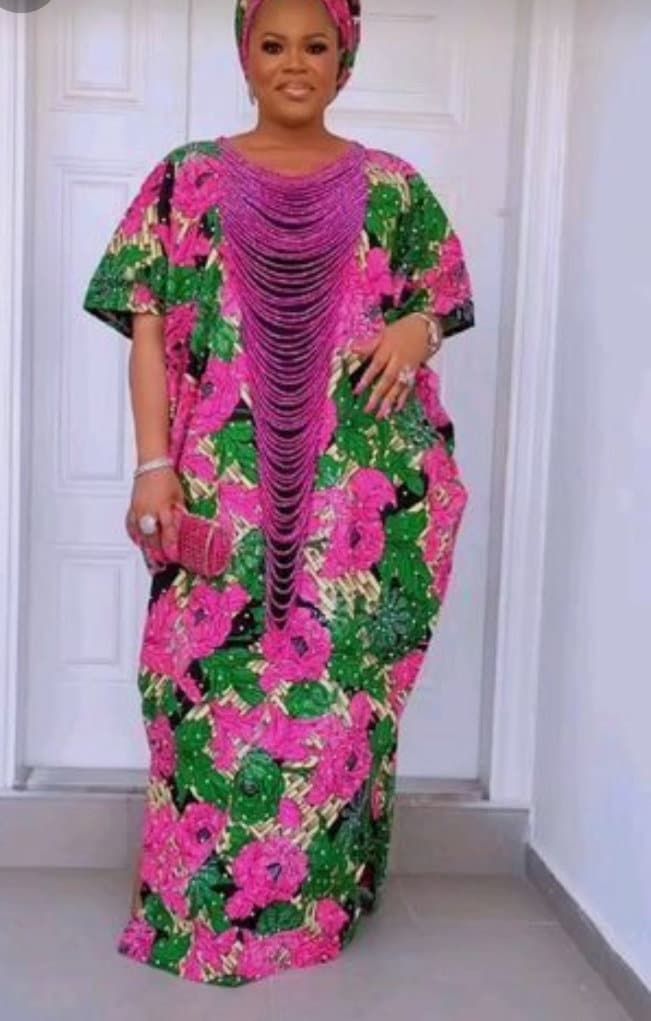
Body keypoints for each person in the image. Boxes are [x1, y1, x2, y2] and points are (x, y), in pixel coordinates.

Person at [82, 0, 475, 987]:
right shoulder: (185, 179)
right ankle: (195, 910)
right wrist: (154, 463)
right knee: (201, 689)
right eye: (272, 44)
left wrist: (418, 329)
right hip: (219, 487)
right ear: (243, 56)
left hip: (354, 511)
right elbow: (146, 323)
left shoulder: (396, 190)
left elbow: (439, 300)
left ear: (345, 59)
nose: (293, 63)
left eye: (315, 45)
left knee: (335, 707)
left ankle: (318, 908)